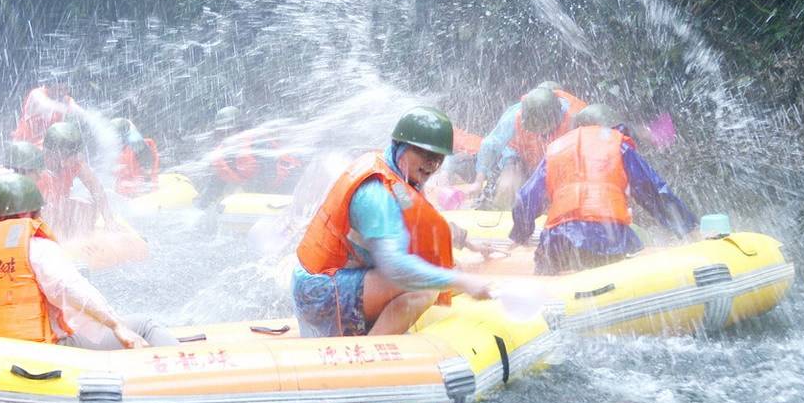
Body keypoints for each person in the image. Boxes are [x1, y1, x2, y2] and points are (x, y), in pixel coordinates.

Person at [0, 174, 177, 350]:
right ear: (27, 211)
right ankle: (183, 371)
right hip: (46, 354)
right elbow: (69, 287)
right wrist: (116, 325)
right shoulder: (36, 247)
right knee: (144, 325)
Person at [293, 107, 497, 337]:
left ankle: (380, 326)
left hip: (341, 281)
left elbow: (417, 224)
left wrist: (466, 241)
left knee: (446, 269)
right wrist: (463, 282)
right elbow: (396, 268)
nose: (432, 164)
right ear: (402, 145)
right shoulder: (376, 196)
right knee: (426, 288)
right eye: (425, 154)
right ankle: (372, 357)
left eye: (438, 158)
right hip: (319, 292)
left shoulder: (397, 177)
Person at [508, 105, 698, 274]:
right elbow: (654, 193)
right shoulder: (619, 146)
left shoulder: (554, 152)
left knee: (548, 278)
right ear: (610, 127)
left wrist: (520, 235)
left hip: (558, 242)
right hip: (608, 238)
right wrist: (686, 228)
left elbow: (525, 200)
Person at [476, 86, 576, 208]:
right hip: (519, 157)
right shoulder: (516, 115)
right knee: (507, 187)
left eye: (543, 127)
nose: (540, 133)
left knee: (562, 193)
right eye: (534, 127)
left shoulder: (573, 119)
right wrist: (478, 181)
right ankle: (504, 214)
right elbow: (490, 144)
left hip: (560, 163)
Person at [198, 106, 304, 209]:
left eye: (230, 130)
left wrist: (244, 195)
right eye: (222, 132)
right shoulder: (222, 156)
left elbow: (269, 175)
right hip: (265, 194)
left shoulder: (257, 143)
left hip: (290, 182)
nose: (227, 135)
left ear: (240, 129)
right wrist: (201, 207)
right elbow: (215, 185)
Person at [39, 121, 118, 232]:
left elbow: (96, 188)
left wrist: (109, 220)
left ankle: (79, 239)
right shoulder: (34, 168)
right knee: (49, 211)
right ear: (52, 153)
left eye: (74, 155)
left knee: (88, 208)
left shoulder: (74, 162)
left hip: (57, 208)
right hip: (37, 217)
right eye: (71, 156)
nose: (75, 159)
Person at [12, 80, 77, 145]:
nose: (62, 93)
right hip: (24, 146)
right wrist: (68, 109)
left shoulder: (67, 100)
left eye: (65, 89)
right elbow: (46, 104)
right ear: (50, 86)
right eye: (60, 89)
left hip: (46, 147)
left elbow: (81, 113)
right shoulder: (36, 94)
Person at [111, 117, 162, 197]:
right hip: (125, 194)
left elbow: (147, 175)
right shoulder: (118, 151)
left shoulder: (138, 145)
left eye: (114, 134)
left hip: (140, 195)